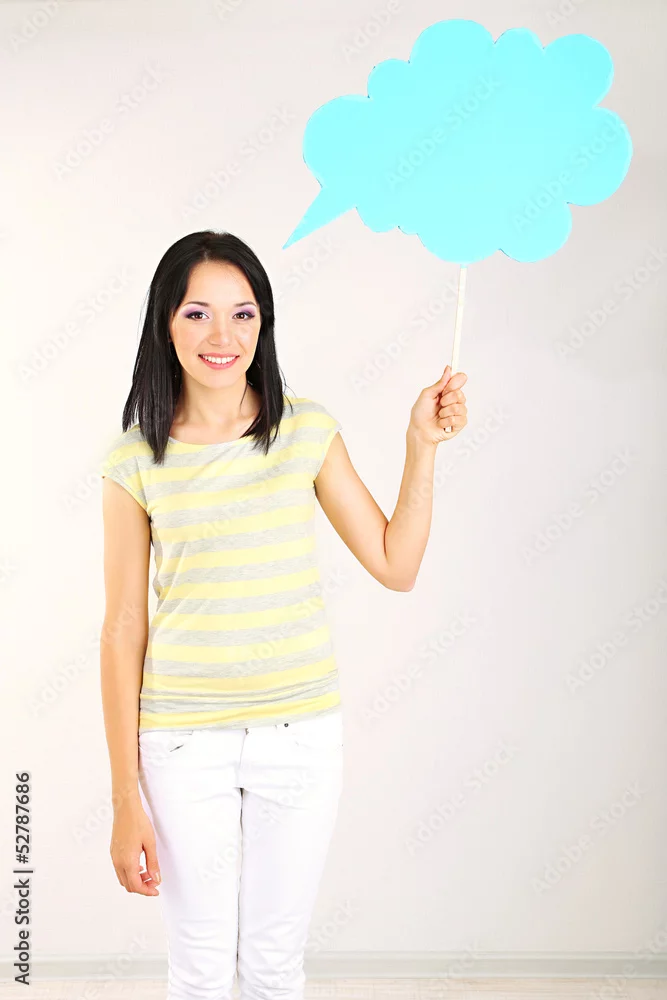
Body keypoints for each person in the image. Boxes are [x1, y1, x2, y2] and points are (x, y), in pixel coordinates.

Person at [99, 229, 468, 1000]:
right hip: (181, 743)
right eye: (197, 313)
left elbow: (395, 564)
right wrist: (124, 797)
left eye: (243, 313)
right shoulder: (135, 458)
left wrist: (420, 445)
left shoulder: (304, 429)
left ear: (263, 323)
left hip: (299, 739)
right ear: (165, 322)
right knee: (200, 967)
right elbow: (123, 627)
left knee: (272, 966)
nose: (222, 336)